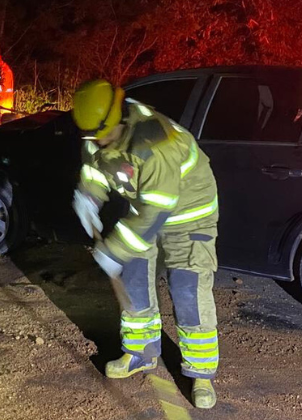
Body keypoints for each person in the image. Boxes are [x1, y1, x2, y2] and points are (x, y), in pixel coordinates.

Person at [71, 79, 220, 409]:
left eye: (103, 135)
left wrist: (113, 250)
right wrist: (88, 195)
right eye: (92, 136)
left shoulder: (156, 142)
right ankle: (141, 353)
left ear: (120, 119)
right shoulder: (97, 132)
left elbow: (156, 212)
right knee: (134, 277)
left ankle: (201, 373)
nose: (98, 141)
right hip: (147, 206)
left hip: (188, 212)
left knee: (187, 287)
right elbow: (96, 167)